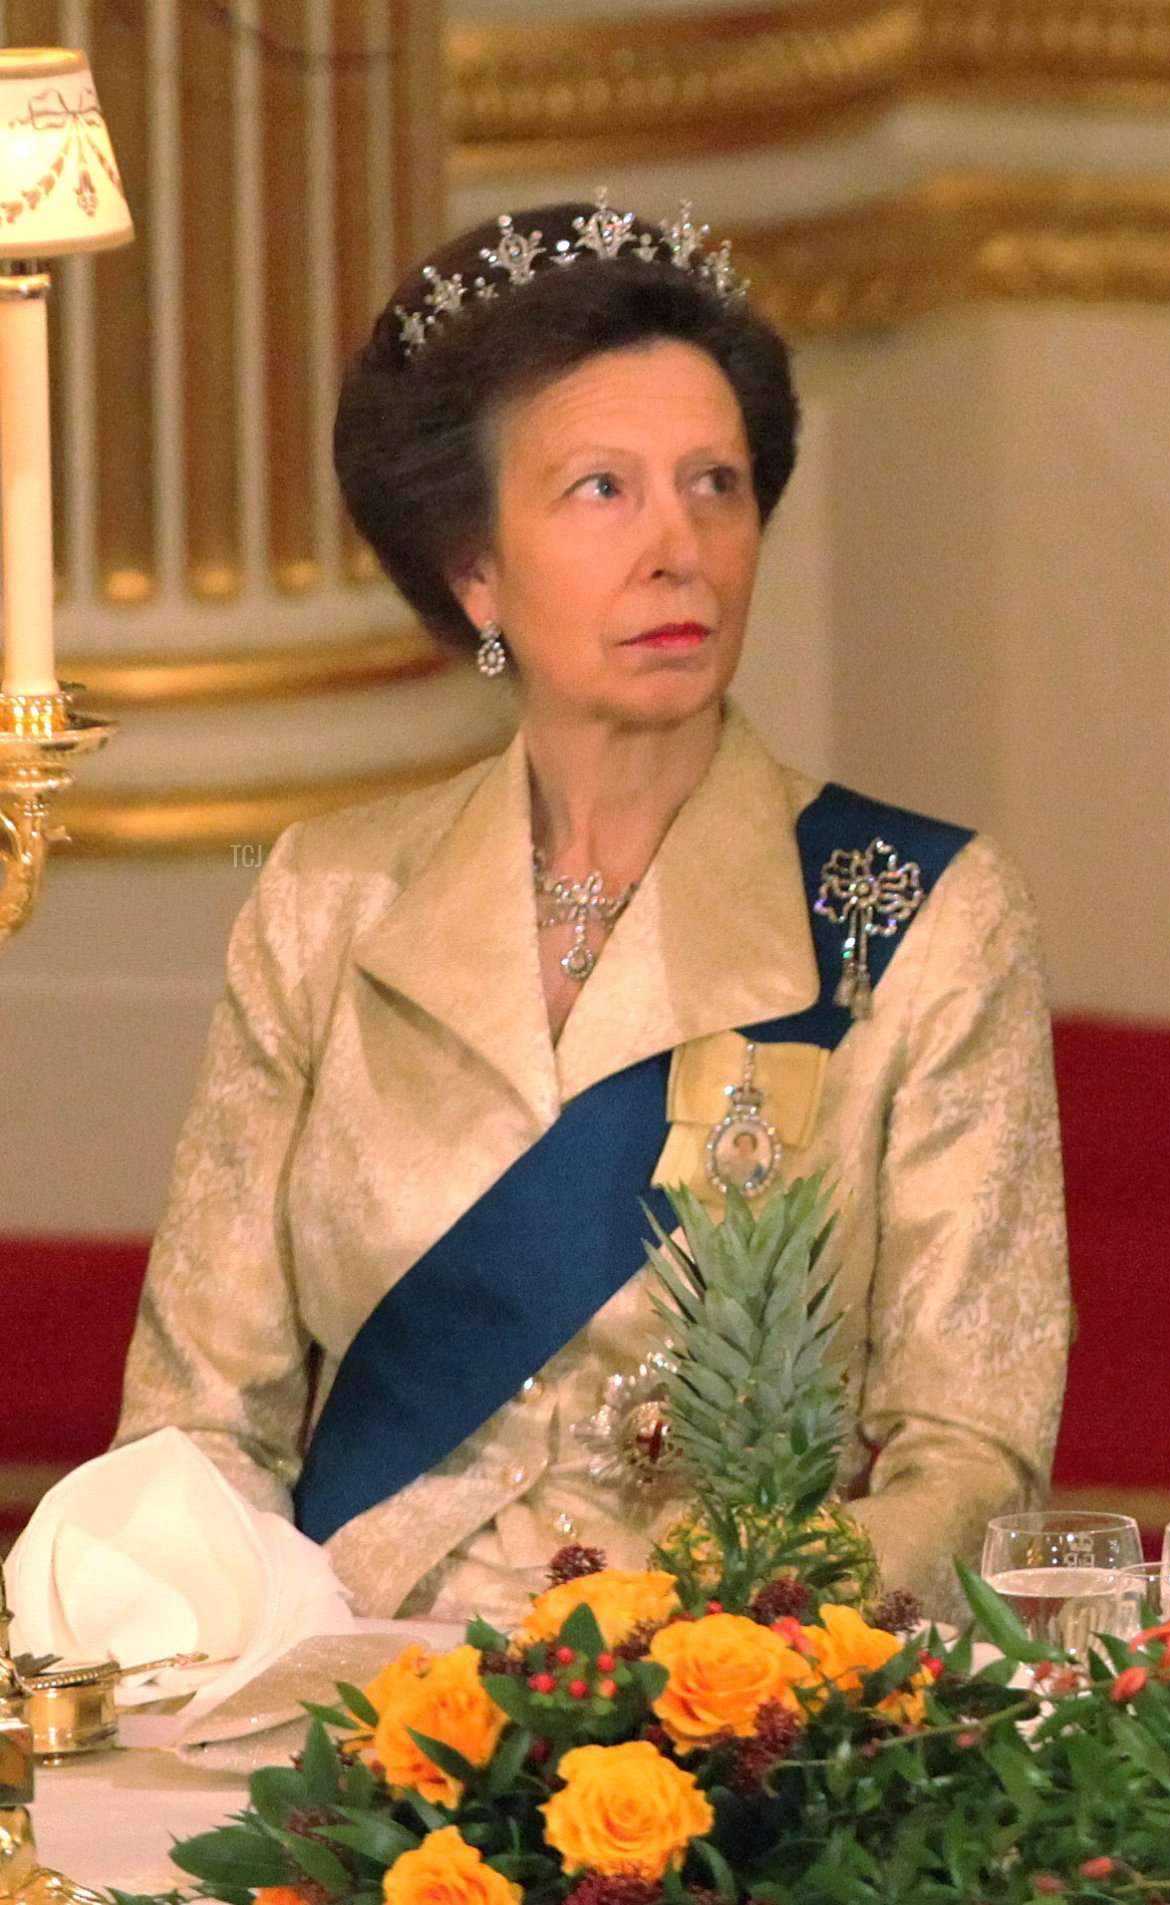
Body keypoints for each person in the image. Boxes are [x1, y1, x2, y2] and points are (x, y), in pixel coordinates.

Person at [116, 196, 1071, 1623]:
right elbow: (198, 1431)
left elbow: (972, 1451)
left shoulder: (914, 914)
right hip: (344, 1714)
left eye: (716, 484)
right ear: (476, 570)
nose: (677, 546)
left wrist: (747, 1626)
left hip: (728, 1715)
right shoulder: (327, 901)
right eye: (602, 491)